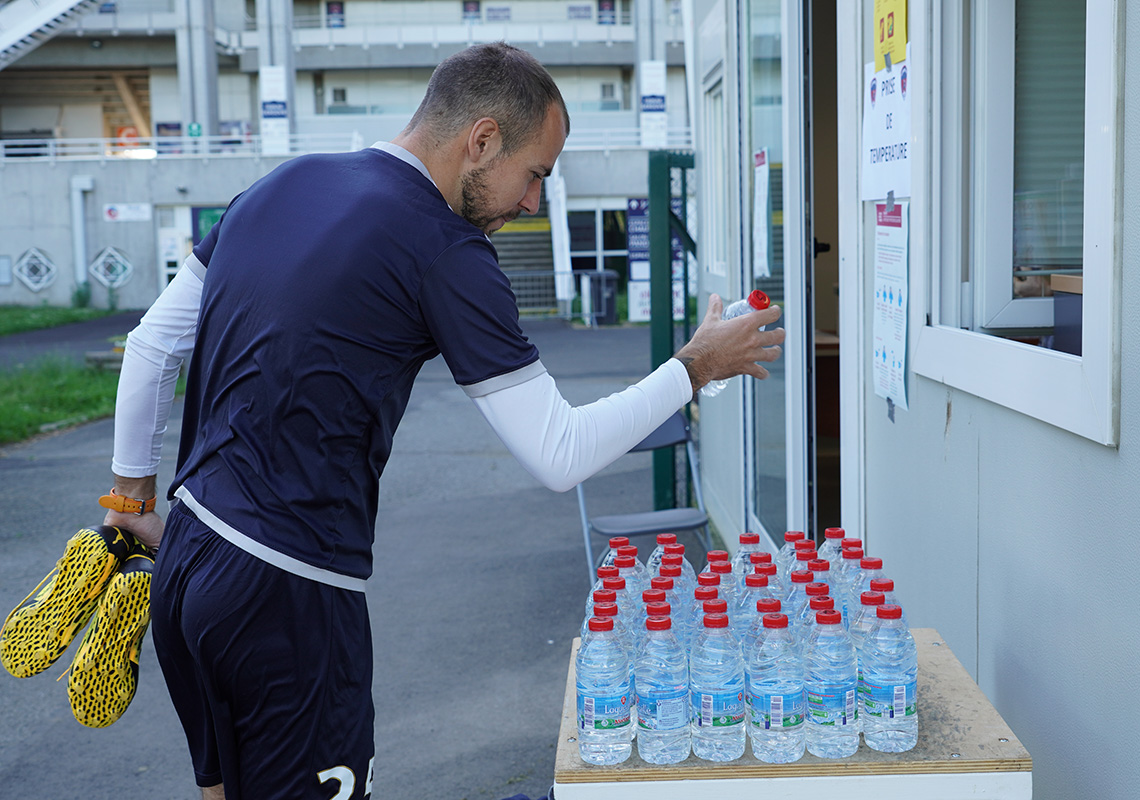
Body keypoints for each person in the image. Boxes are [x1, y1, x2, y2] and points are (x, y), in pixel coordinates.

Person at [99, 42, 784, 799]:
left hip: (188, 565)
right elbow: (559, 453)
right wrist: (693, 367)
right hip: (287, 597)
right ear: (481, 140)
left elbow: (153, 346)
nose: (531, 203)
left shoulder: (281, 184)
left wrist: (131, 502)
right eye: (535, 175)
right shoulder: (444, 247)